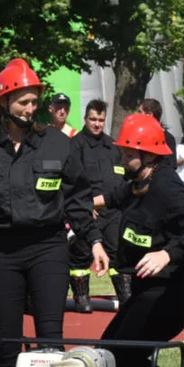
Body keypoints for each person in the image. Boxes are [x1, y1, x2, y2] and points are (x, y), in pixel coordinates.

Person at [0, 58, 108, 367]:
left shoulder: (57, 144)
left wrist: (94, 241)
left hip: (48, 249)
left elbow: (77, 199)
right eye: (23, 101)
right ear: (4, 101)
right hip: (2, 252)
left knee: (50, 344)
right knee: (7, 345)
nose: (30, 108)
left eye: (35, 101)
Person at [100, 113, 184, 367]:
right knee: (108, 354)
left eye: (127, 152)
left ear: (148, 154)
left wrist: (167, 254)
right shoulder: (140, 182)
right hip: (144, 295)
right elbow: (112, 197)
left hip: (167, 299)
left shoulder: (166, 187)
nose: (122, 157)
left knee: (115, 357)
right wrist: (69, 205)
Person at [69, 99, 129, 311]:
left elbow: (123, 179)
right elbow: (71, 183)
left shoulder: (113, 148)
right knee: (81, 255)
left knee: (117, 253)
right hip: (87, 212)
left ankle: (125, 297)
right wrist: (83, 208)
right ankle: (82, 299)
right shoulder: (75, 146)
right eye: (93, 119)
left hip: (113, 212)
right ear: (85, 119)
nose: (96, 124)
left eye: (101, 120)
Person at [138, 98, 177, 171]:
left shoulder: (167, 138)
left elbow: (171, 164)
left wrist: (150, 170)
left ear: (149, 115)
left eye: (140, 112)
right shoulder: (139, 135)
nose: (137, 115)